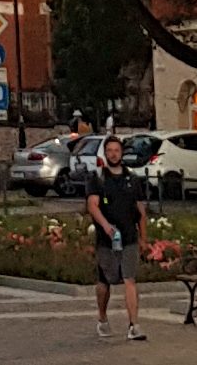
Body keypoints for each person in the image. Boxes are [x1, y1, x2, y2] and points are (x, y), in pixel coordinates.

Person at [88, 134, 147, 342]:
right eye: (110, 151)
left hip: (129, 237)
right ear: (106, 153)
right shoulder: (98, 178)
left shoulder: (132, 179)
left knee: (129, 279)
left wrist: (143, 237)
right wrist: (105, 226)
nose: (114, 154)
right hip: (107, 240)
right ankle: (102, 317)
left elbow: (140, 210)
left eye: (117, 150)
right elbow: (92, 205)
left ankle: (134, 325)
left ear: (122, 153)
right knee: (106, 281)